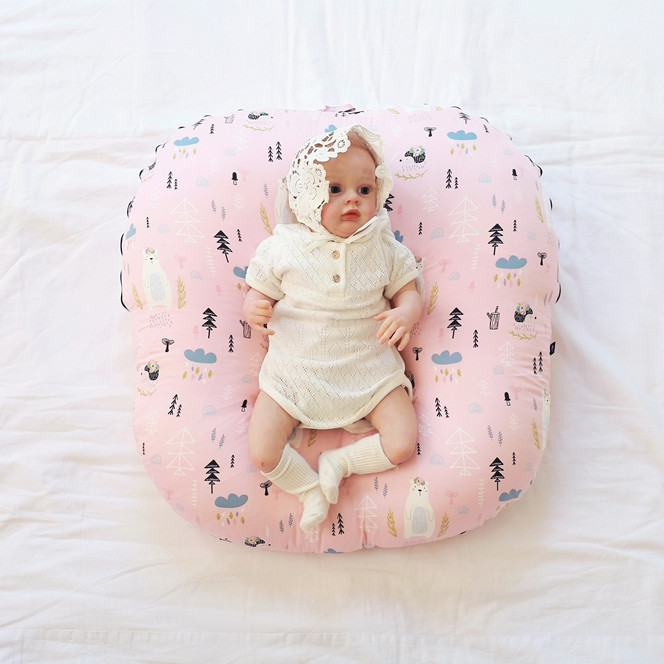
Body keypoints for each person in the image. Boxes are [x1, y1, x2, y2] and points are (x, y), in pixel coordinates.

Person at [243, 125, 422, 532]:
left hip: (367, 368)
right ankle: (308, 489)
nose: (352, 200)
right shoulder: (284, 246)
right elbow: (256, 292)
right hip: (295, 371)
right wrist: (254, 307)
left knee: (402, 443)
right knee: (263, 451)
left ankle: (340, 462)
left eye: (364, 189)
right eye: (335, 189)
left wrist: (406, 314)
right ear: (306, 196)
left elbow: (409, 294)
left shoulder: (385, 247)